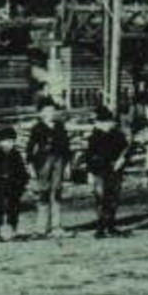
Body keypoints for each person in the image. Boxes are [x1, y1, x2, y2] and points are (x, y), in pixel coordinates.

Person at [82, 106, 132, 237]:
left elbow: (127, 150)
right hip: (99, 170)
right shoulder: (94, 136)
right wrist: (90, 172)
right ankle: (101, 227)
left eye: (107, 122)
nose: (107, 125)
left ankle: (110, 225)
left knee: (113, 197)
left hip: (115, 169)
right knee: (101, 197)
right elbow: (89, 156)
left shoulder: (118, 135)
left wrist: (122, 160)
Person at [25, 100, 72, 237]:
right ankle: (41, 228)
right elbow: (30, 148)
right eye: (47, 111)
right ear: (41, 113)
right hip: (43, 163)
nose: (51, 113)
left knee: (56, 193)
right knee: (43, 194)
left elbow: (66, 147)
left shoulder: (60, 127)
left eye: (52, 111)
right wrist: (30, 166)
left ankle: (56, 226)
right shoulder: (37, 128)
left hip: (59, 161)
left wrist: (67, 165)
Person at [0, 126, 28, 242]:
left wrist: (22, 184)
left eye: (11, 141)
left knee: (14, 207)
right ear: (0, 142)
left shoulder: (16, 154)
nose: (8, 144)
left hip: (13, 185)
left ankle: (14, 230)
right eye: (5, 141)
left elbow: (22, 171)